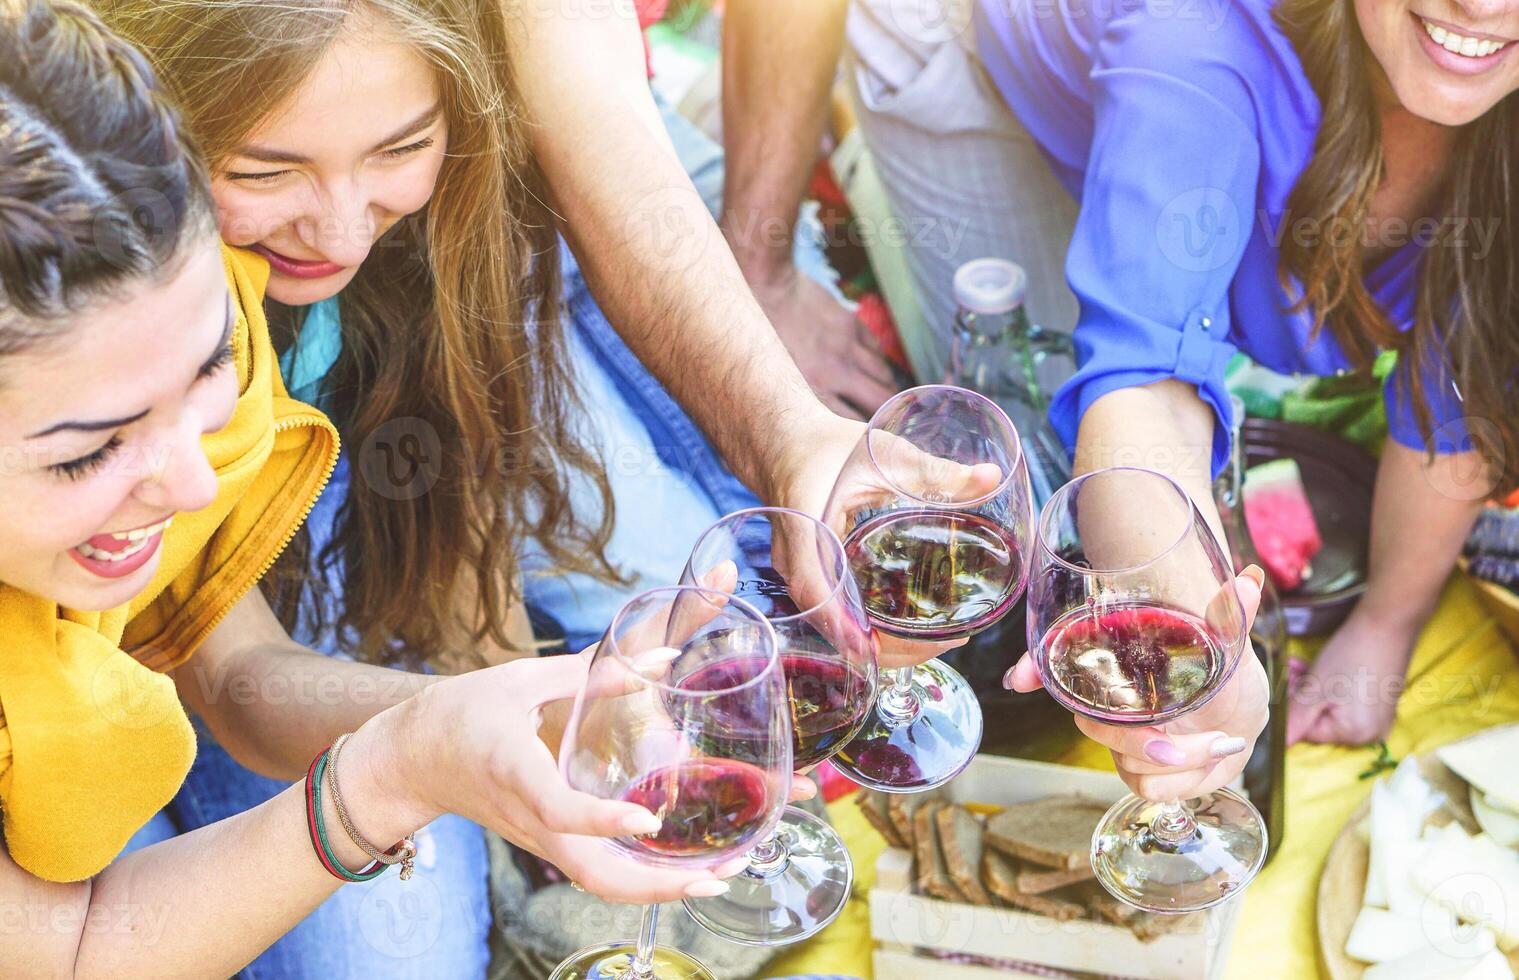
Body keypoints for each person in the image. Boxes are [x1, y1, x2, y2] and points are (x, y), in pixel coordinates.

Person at [0, 4, 742, 976]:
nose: (195, 481)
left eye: (214, 371)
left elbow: (234, 667)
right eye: (86, 451)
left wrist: (452, 729)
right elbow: (73, 951)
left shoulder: (167, 307)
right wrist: (399, 764)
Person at [730, 0, 1512, 750]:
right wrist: (1201, 655)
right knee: (1029, 468)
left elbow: (1469, 371)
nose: (1478, 4)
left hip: (1182, 107)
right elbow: (1145, 391)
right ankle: (852, 169)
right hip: (984, 55)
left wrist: (1385, 625)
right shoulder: (1198, 36)